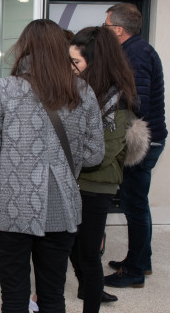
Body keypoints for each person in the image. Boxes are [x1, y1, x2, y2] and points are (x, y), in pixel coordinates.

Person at [0, 19, 105, 313]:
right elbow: (95, 154)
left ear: (24, 48)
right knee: (53, 295)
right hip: (61, 204)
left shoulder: (5, 89)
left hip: (11, 203)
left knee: (14, 295)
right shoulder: (83, 91)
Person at [67, 26, 140, 312]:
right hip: (76, 181)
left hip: (95, 185)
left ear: (95, 63)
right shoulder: (85, 91)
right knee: (72, 246)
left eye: (76, 62)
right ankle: (87, 288)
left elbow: (101, 155)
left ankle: (91, 295)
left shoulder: (117, 101)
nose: (70, 68)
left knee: (88, 254)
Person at [103, 3, 167, 289]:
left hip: (140, 142)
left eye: (106, 27)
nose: (105, 30)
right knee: (136, 204)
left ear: (118, 30)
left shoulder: (135, 54)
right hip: (146, 139)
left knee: (134, 205)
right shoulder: (137, 50)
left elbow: (136, 102)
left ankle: (135, 271)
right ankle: (141, 260)